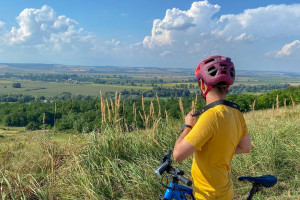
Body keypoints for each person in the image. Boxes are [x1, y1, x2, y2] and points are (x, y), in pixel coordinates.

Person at [173, 55, 251, 199]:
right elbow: (246, 147)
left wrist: (188, 126)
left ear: (202, 85)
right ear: (227, 86)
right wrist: (217, 152)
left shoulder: (210, 116)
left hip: (208, 194)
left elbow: (178, 155)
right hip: (225, 191)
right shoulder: (236, 112)